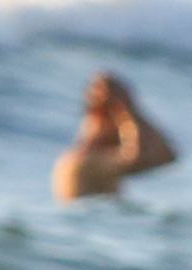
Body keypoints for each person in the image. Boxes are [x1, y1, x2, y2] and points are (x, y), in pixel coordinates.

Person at [52, 71, 177, 202]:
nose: (120, 129)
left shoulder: (75, 159)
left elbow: (166, 155)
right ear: (100, 119)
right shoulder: (86, 162)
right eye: (116, 121)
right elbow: (161, 156)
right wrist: (126, 110)